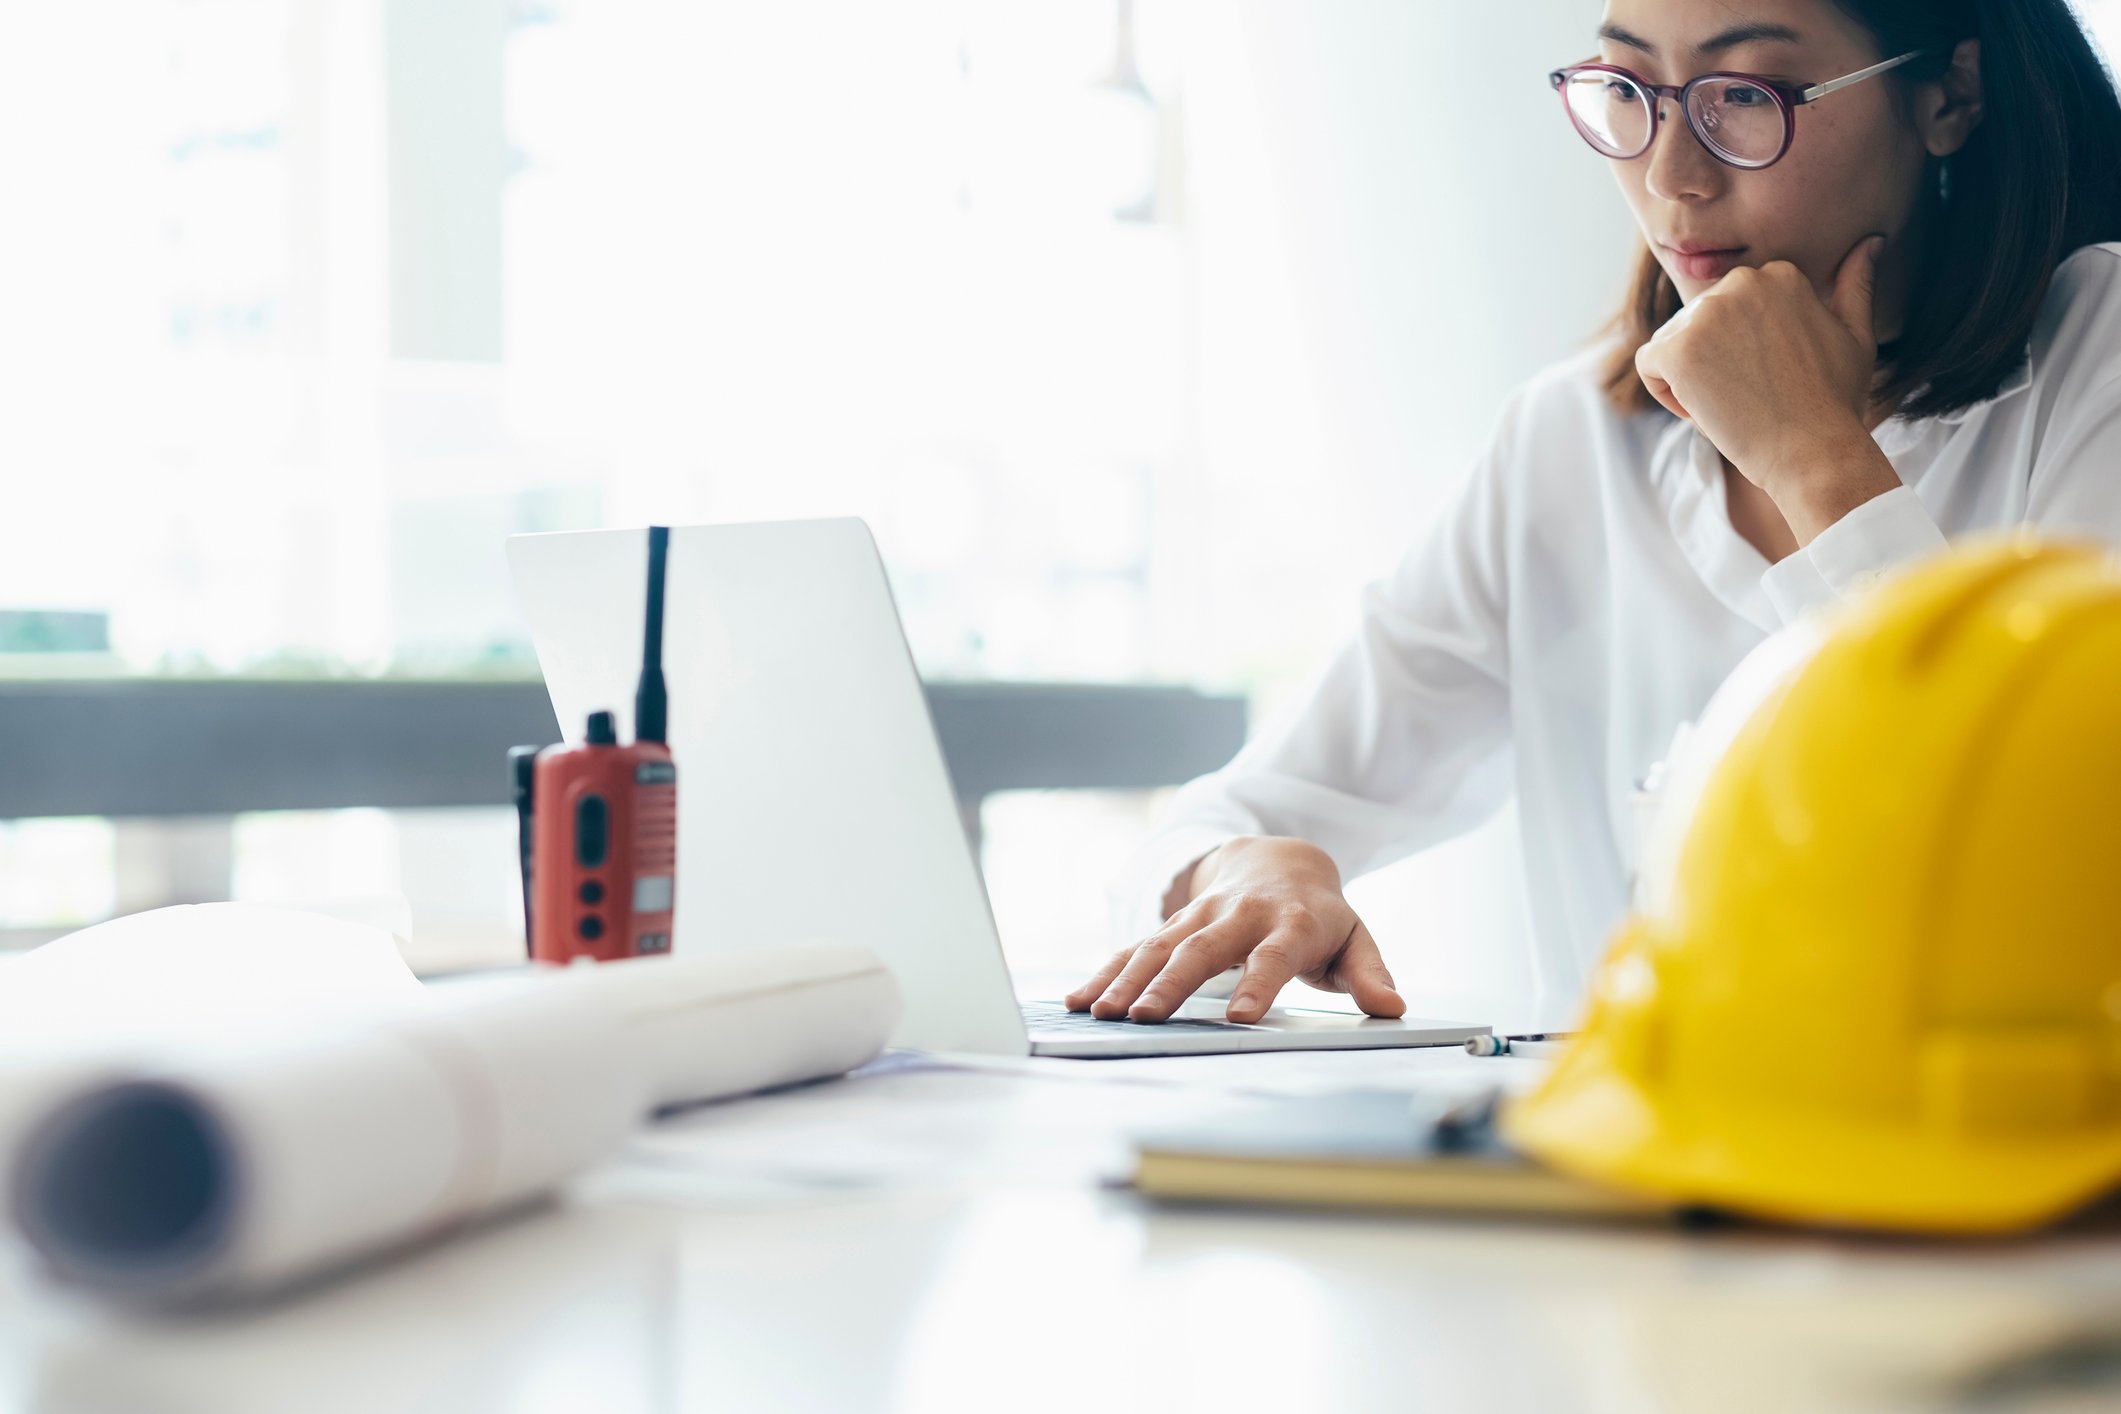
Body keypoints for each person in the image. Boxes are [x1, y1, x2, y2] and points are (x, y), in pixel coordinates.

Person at [1069, 0, 2121, 1026]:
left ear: (1951, 95)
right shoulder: (1572, 439)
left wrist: (1815, 459)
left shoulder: (2096, 356)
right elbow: (1232, 818)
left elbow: (2066, 849)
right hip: (1619, 1175)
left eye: (1746, 94)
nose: (1671, 175)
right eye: (1629, 89)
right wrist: (1250, 865)